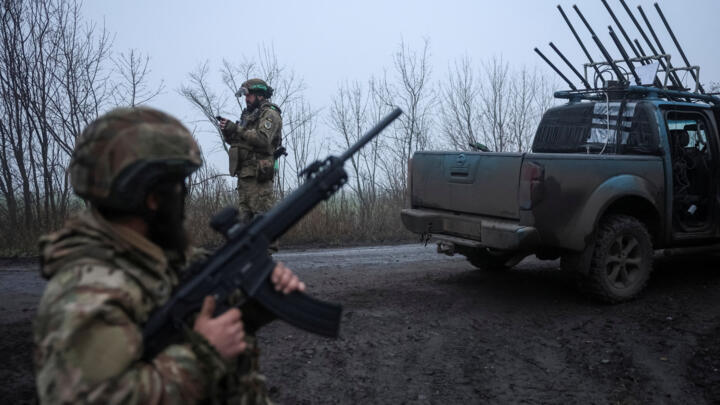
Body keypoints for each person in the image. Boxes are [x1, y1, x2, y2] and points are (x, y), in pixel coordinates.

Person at [33, 107, 303, 404]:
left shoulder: (157, 258)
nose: (182, 196)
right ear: (151, 198)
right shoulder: (86, 295)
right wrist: (204, 355)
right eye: (178, 186)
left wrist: (255, 303)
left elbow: (190, 324)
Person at [218, 78, 282, 225]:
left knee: (263, 221)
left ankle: (268, 249)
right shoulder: (249, 115)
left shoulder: (270, 114)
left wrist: (237, 129)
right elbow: (238, 141)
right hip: (245, 177)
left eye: (249, 95)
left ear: (260, 95)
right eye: (245, 96)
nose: (246, 99)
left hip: (259, 176)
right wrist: (228, 131)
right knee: (244, 224)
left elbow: (262, 139)